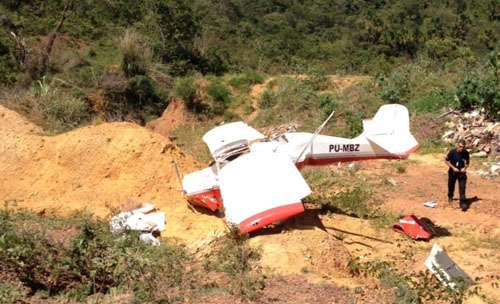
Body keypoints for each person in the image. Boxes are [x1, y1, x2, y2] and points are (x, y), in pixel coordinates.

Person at [445, 139, 470, 211]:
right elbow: (446, 161)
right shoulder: (452, 152)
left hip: (461, 173)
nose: (461, 148)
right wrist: (453, 168)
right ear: (457, 145)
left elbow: (467, 162)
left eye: (463, 147)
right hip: (453, 172)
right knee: (451, 186)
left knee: (462, 188)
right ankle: (450, 197)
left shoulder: (466, 153)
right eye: (460, 146)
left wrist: (465, 168)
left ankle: (462, 203)